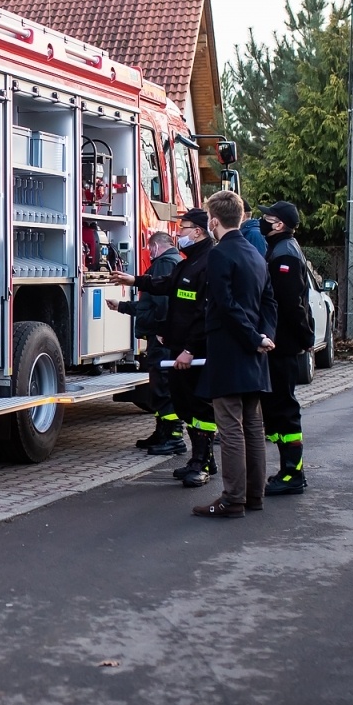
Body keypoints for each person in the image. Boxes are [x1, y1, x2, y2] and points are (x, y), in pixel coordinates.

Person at [113, 208, 216, 484]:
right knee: (186, 405)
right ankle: (202, 459)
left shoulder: (208, 262)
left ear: (197, 231)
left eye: (182, 229)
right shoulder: (187, 262)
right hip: (181, 349)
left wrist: (190, 349)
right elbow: (165, 285)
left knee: (200, 408)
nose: (178, 234)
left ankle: (202, 465)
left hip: (193, 352)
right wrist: (134, 280)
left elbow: (204, 313)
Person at [191, 190, 277, 519]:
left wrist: (253, 337)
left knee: (229, 427)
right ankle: (254, 495)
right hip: (255, 351)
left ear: (213, 220)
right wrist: (265, 336)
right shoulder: (257, 254)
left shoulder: (219, 254)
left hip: (231, 349)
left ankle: (232, 498)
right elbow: (269, 301)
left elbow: (225, 306)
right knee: (253, 426)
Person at [259, 201, 316, 495]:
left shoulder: (284, 255)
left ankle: (294, 474)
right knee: (279, 409)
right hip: (282, 343)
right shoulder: (283, 248)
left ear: (279, 224)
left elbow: (290, 304)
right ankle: (287, 470)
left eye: (267, 218)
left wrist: (305, 338)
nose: (262, 221)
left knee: (285, 410)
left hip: (283, 345)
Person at [116, 232, 183, 450]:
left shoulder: (164, 264)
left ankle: (173, 436)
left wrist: (164, 330)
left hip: (161, 337)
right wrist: (122, 306)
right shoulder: (175, 262)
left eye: (149, 248)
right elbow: (149, 306)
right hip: (160, 335)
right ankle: (162, 432)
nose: (149, 252)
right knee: (159, 387)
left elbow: (163, 303)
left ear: (154, 247)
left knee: (163, 386)